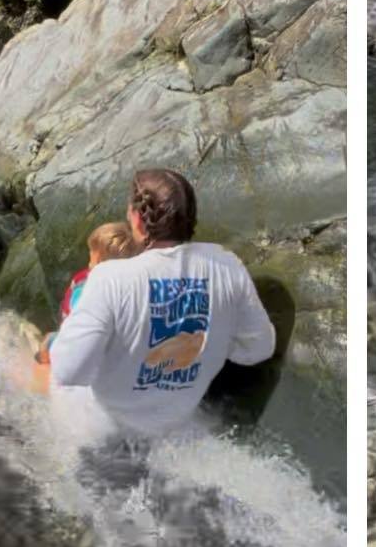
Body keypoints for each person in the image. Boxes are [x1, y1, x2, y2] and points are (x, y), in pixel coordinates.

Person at [48, 169, 278, 435]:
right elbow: (258, 349)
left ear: (137, 219)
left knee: (35, 359)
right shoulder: (227, 266)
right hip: (173, 428)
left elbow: (68, 371)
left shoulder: (108, 278)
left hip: (100, 430)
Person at [35, 222, 138, 367]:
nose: (89, 260)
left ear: (99, 261)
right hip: (117, 348)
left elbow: (79, 328)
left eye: (92, 256)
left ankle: (44, 367)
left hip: (79, 347)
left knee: (47, 344)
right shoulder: (132, 287)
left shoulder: (86, 287)